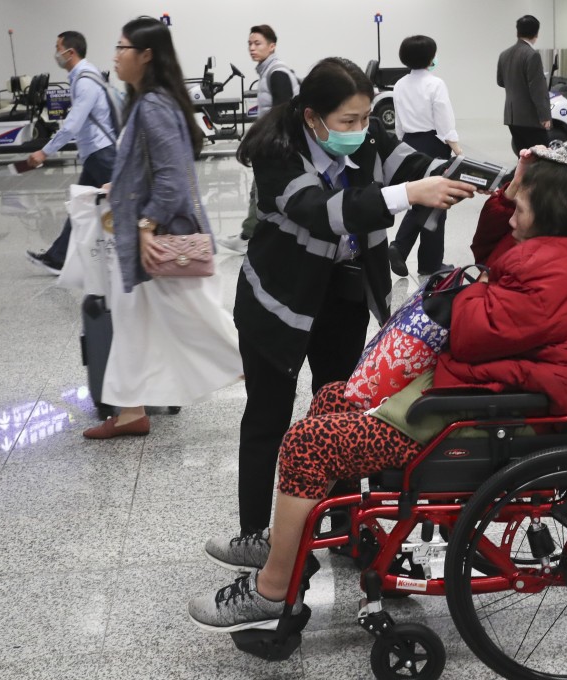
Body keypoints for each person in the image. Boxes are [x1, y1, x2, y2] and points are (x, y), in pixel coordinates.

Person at [188, 138, 567, 632]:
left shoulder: (554, 266)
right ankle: (302, 539)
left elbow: (473, 333)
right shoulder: (565, 249)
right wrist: (509, 193)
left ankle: (273, 591)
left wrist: (452, 292)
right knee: (333, 396)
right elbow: (494, 251)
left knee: (306, 444)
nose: (510, 214)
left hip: (478, 411)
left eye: (519, 205)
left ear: (551, 210)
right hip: (479, 391)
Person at [204, 57, 478, 561]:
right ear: (313, 117)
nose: (359, 130)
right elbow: (321, 211)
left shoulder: (368, 135)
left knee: (343, 414)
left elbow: (412, 165)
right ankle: (253, 537)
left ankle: (344, 527)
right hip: (279, 301)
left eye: (364, 118)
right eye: (347, 121)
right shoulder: (277, 151)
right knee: (268, 417)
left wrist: (469, 174)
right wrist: (407, 195)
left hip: (344, 294)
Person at [82, 17, 243, 439]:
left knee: (204, 323)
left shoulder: (152, 105)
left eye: (122, 48)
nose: (115, 57)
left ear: (146, 55)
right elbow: (152, 167)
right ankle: (131, 411)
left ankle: (268, 374)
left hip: (166, 242)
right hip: (152, 239)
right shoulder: (143, 101)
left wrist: (146, 226)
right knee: (133, 323)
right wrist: (121, 184)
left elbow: (172, 177)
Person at [25, 31, 120, 275]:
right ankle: (57, 259)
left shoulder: (85, 80)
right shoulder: (81, 76)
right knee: (81, 207)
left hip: (101, 152)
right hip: (94, 153)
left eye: (57, 47)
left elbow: (72, 124)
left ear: (70, 52)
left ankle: (150, 246)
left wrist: (44, 152)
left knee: (125, 201)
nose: (55, 53)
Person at [218, 24, 299, 255]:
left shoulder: (277, 72)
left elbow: (282, 112)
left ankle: (249, 236)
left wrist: (271, 143)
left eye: (258, 43)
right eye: (250, 44)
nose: (252, 48)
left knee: (262, 192)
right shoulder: (270, 71)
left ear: (272, 46)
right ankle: (250, 234)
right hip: (272, 143)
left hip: (277, 145)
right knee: (259, 191)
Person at [387, 34, 462, 277]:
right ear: (430, 57)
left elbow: (398, 121)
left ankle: (403, 247)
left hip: (408, 144)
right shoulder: (435, 84)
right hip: (433, 144)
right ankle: (427, 262)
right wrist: (456, 147)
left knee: (420, 199)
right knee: (438, 202)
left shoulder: (399, 84)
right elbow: (443, 119)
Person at [497, 14, 551, 155]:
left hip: (512, 116)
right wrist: (544, 116)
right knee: (541, 158)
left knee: (523, 157)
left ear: (517, 32)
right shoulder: (532, 55)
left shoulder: (504, 54)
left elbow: (500, 81)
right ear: (536, 33)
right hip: (530, 118)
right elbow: (537, 90)